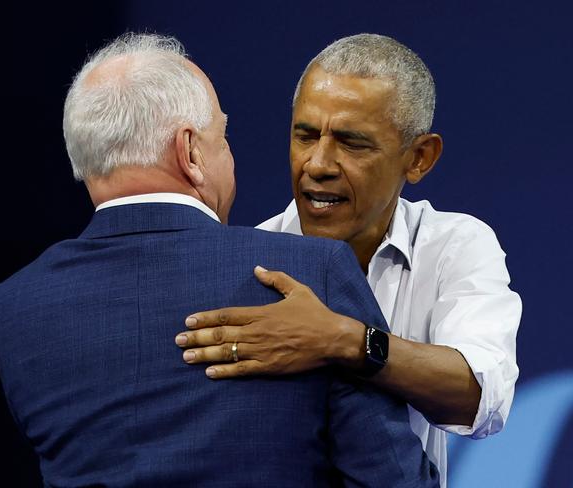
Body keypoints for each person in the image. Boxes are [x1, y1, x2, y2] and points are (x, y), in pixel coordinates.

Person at [0, 33, 439, 487]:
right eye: (223, 138)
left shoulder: (13, 306)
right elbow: (393, 479)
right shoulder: (309, 273)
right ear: (191, 153)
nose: (230, 156)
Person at [176, 34, 521, 486]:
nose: (318, 163)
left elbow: (479, 399)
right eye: (305, 135)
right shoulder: (246, 256)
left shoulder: (455, 245)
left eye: (352, 143)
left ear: (419, 158)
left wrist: (344, 340)